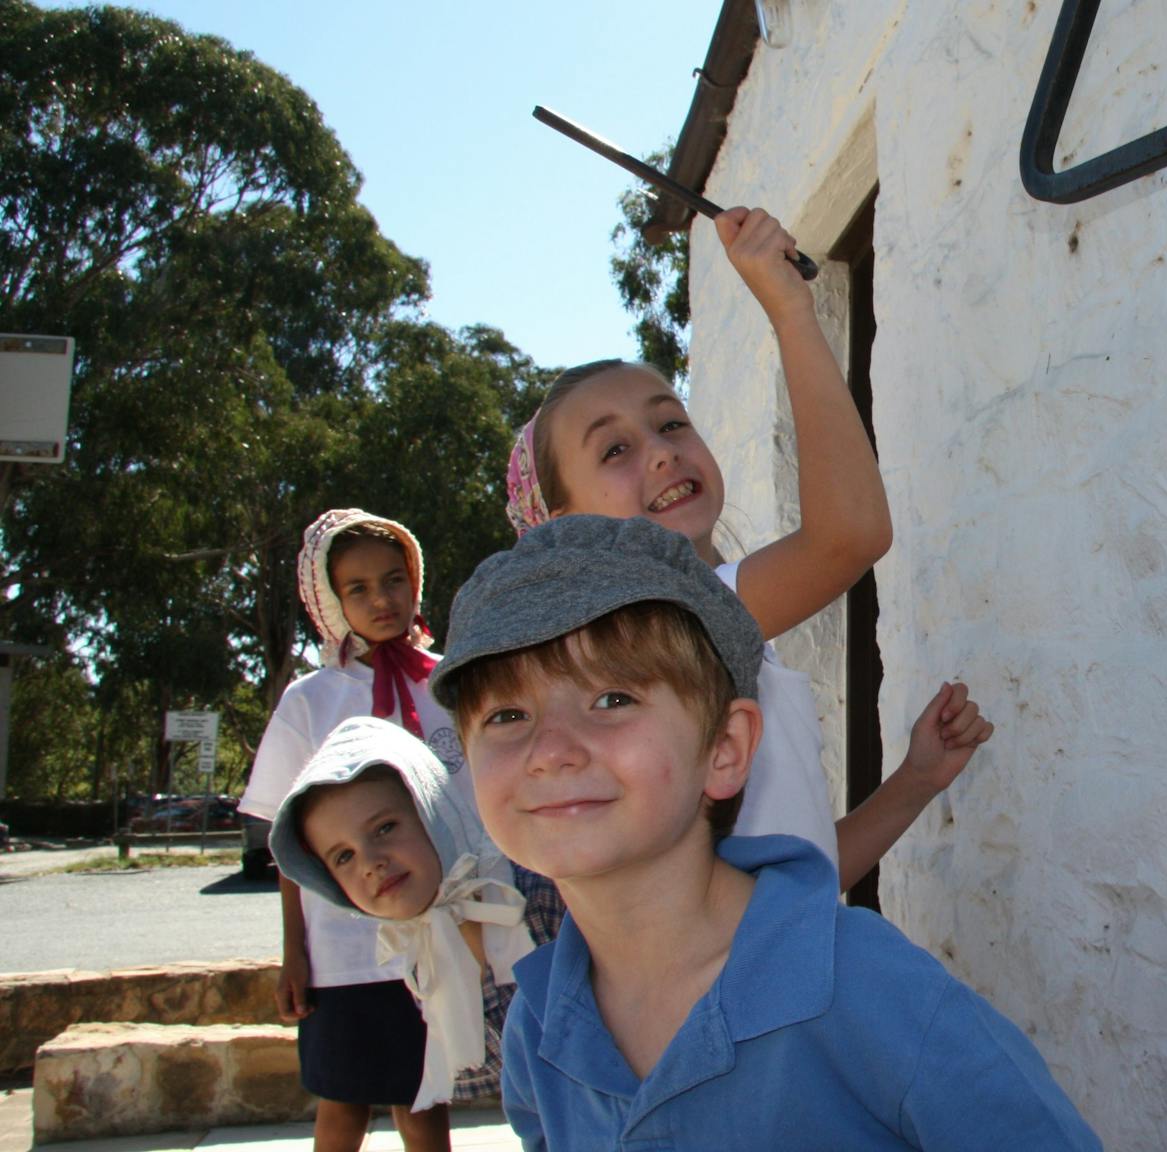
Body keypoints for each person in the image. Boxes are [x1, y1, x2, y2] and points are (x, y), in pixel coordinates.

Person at [431, 515, 1100, 1149]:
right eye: (507, 716)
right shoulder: (539, 1029)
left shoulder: (868, 987)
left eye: (612, 699)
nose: (551, 749)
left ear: (725, 748)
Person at [503, 205, 986, 934]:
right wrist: (791, 309)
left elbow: (802, 879)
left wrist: (915, 781)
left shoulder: (723, 630)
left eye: (670, 422)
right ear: (563, 526)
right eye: (613, 451)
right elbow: (850, 534)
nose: (661, 451)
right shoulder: (671, 622)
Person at [238, 510, 490, 1152]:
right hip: (343, 955)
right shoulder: (310, 701)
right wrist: (295, 952)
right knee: (343, 1103)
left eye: (393, 579)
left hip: (438, 941)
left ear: (415, 581)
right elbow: (287, 843)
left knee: (425, 1100)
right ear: (330, 600)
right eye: (357, 588)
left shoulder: (455, 683)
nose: (381, 600)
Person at [268, 715, 535, 1114]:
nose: (371, 863)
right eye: (344, 856)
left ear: (432, 806)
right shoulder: (418, 947)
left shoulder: (532, 899)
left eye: (384, 828)